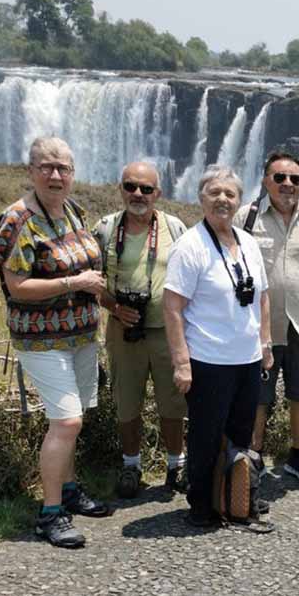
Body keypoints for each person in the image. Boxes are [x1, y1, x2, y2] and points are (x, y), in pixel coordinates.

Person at [0, 136, 110, 548]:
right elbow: (17, 285)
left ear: (73, 174)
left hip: (81, 334)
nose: (55, 175)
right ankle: (50, 513)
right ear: (30, 171)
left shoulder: (73, 211)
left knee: (74, 418)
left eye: (63, 168)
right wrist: (74, 282)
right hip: (41, 341)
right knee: (67, 421)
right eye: (46, 167)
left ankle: (70, 490)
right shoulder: (17, 219)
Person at [163, 165, 272, 528]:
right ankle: (201, 504)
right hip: (208, 360)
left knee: (242, 434)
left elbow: (263, 298)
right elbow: (173, 306)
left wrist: (265, 344)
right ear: (201, 198)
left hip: (247, 358)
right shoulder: (190, 246)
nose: (223, 200)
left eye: (230, 194)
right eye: (215, 193)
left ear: (239, 201)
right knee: (207, 436)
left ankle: (234, 496)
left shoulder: (248, 243)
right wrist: (182, 363)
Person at [236, 150, 299, 485]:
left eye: (295, 179)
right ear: (266, 180)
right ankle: (254, 456)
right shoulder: (246, 218)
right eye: (279, 177)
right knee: (256, 395)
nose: (287, 184)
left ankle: (298, 456)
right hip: (258, 325)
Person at [92, 162, 189, 499]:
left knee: (173, 403)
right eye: (131, 186)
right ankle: (131, 466)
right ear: (120, 189)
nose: (138, 194)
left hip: (166, 331)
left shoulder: (175, 228)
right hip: (123, 330)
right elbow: (92, 282)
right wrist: (114, 307)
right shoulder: (105, 229)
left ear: (158, 194)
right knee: (126, 404)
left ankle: (176, 465)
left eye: (146, 189)